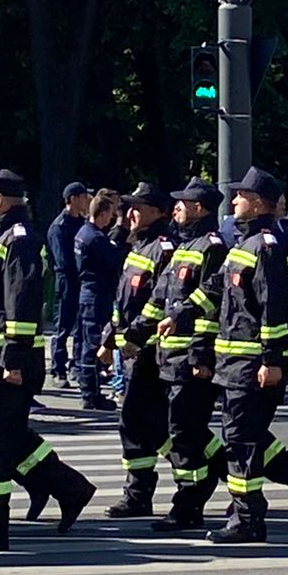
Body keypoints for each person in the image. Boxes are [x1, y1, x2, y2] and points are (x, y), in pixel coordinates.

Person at [0, 170, 94, 553]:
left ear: (0, 198)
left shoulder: (21, 240)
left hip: (6, 363)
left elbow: (23, 306)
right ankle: (69, 489)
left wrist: (13, 358)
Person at [194, 168, 288, 544]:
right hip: (234, 365)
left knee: (240, 439)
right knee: (244, 436)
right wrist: (179, 314)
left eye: (239, 196)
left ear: (254, 202)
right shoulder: (244, 244)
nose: (232, 201)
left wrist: (271, 360)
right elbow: (216, 289)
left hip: (252, 366)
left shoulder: (265, 246)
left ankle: (248, 518)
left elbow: (274, 309)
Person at [148, 178, 232, 532]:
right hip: (171, 356)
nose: (176, 207)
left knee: (185, 432)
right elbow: (162, 301)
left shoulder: (212, 247)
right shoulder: (184, 246)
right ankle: (199, 488)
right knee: (182, 431)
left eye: (183, 202)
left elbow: (209, 307)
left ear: (199, 207)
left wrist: (200, 357)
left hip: (192, 359)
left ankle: (189, 502)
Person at [99, 182, 176, 515]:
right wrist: (107, 341)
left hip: (150, 351)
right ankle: (141, 491)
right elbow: (121, 304)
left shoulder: (163, 248)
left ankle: (139, 492)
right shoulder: (137, 246)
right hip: (130, 349)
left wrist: (133, 340)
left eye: (137, 207)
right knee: (146, 423)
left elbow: (160, 303)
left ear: (158, 212)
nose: (128, 213)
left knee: (136, 421)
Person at [72, 188, 120, 414]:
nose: (112, 219)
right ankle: (91, 395)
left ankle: (88, 390)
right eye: (110, 214)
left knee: (84, 343)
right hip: (97, 295)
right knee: (93, 345)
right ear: (101, 214)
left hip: (86, 293)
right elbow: (114, 263)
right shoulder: (97, 238)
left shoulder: (82, 232)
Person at [46, 181, 90, 389]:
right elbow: (63, 260)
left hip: (83, 280)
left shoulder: (83, 223)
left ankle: (77, 365)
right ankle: (58, 368)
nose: (86, 201)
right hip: (66, 281)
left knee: (81, 325)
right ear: (72, 199)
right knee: (63, 325)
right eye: (83, 197)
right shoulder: (59, 227)